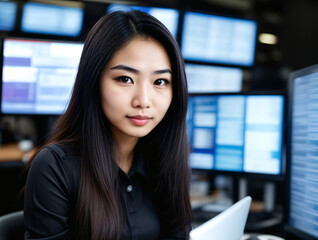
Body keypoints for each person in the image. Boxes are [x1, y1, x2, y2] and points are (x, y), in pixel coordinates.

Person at [24, 10, 192, 240]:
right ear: (93, 80)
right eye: (125, 79)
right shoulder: (55, 166)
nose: (143, 101)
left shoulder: (165, 159)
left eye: (160, 82)